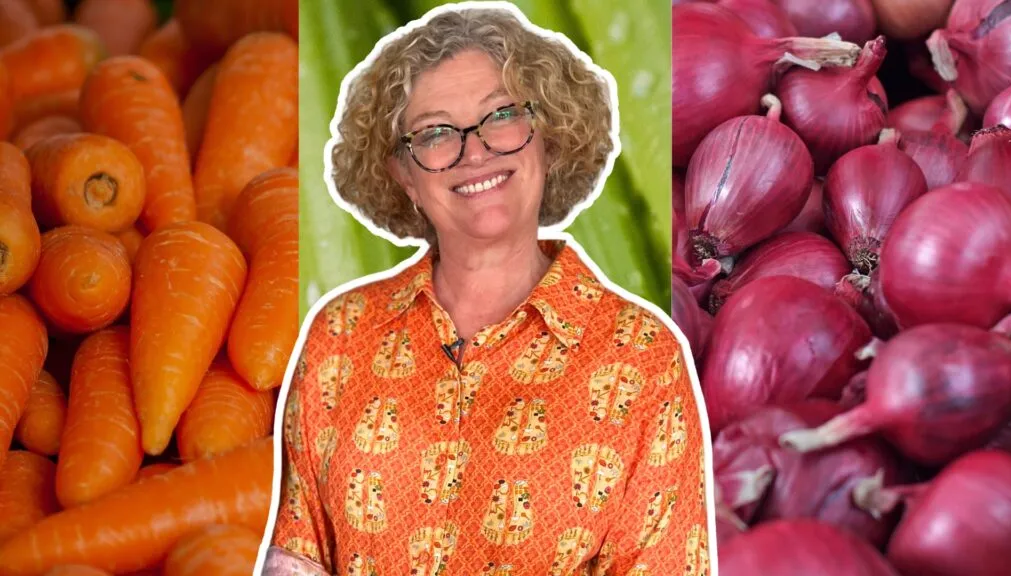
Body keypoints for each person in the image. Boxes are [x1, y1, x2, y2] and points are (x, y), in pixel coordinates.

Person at [261, 4, 713, 575]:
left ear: (548, 137)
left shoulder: (642, 357)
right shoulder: (339, 336)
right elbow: (298, 556)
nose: (473, 152)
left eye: (501, 116)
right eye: (435, 133)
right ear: (404, 173)